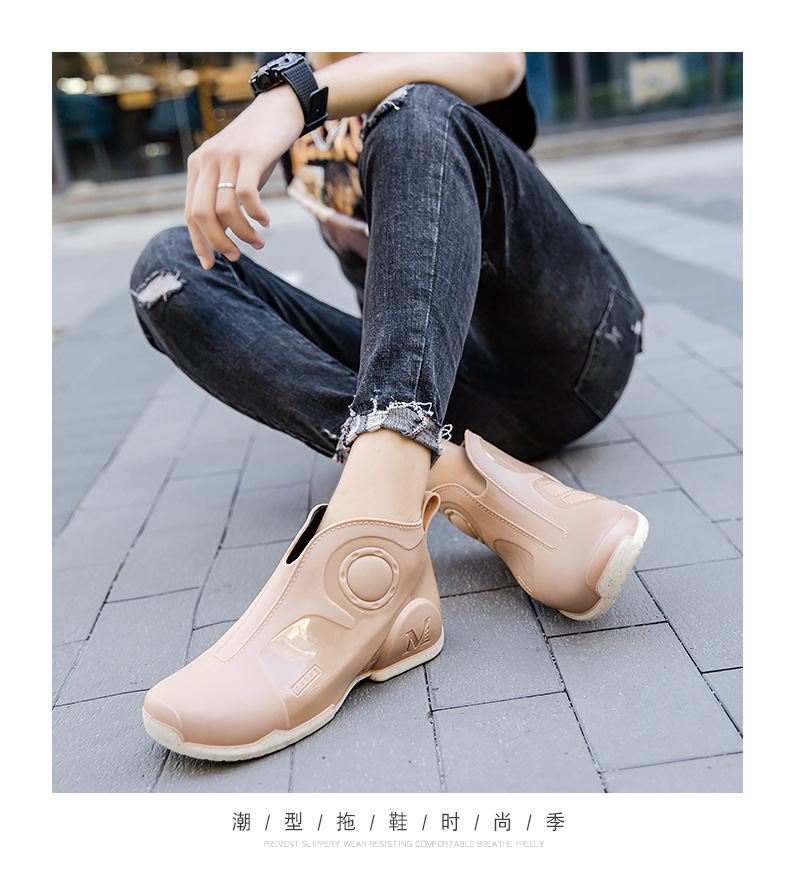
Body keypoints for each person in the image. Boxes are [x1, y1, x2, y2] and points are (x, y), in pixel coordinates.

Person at [131, 52, 648, 763]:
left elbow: (499, 65)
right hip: (433, 385)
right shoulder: (290, 59)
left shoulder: (297, 88)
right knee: (168, 270)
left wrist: (289, 99)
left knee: (416, 113)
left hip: (565, 350)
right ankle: (462, 482)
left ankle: (368, 553)